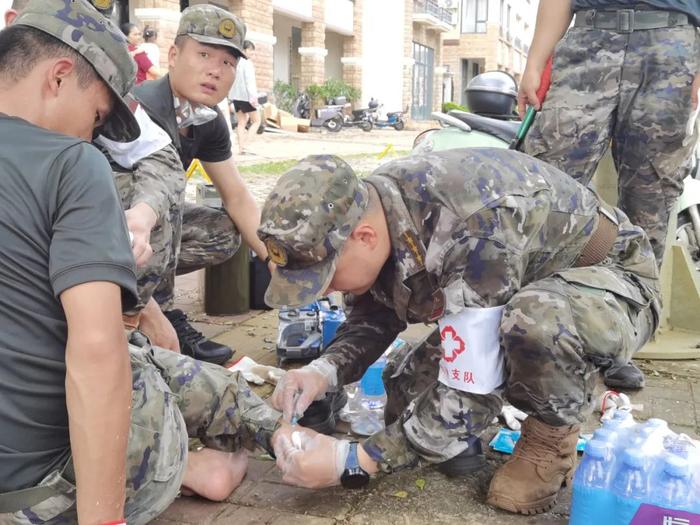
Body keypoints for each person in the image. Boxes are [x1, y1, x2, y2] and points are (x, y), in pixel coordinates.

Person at [0, 1, 284, 523]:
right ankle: (202, 463)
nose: (91, 132)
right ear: (60, 76)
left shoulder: (199, 123)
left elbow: (203, 185)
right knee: (144, 369)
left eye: (227, 61)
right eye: (96, 117)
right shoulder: (72, 160)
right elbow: (95, 359)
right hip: (34, 497)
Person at [260, 151, 660, 515]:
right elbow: (374, 316)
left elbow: (473, 390)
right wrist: (323, 371)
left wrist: (355, 462)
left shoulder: (472, 227)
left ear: (365, 237)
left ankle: (551, 438)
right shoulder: (373, 205)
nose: (327, 292)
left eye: (327, 278)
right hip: (515, 282)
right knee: (407, 391)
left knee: (535, 321)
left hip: (609, 282)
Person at [518, 1, 699, 388]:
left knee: (650, 199)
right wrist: (536, 60)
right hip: (588, 38)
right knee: (549, 187)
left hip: (671, 45)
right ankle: (524, 329)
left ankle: (617, 341)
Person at [99, 6, 272, 364]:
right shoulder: (139, 108)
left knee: (225, 232)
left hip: (147, 235)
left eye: (227, 63)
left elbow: (237, 195)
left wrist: (275, 260)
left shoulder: (206, 120)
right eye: (204, 54)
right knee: (166, 197)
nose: (215, 70)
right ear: (174, 55)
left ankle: (153, 301)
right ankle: (143, 312)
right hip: (105, 231)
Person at [228, 40, 259, 155]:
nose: (252, 54)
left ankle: (241, 148)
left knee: (241, 122)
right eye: (251, 51)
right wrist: (253, 97)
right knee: (256, 121)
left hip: (236, 97)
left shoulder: (235, 62)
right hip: (247, 97)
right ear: (245, 50)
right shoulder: (247, 63)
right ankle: (246, 145)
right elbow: (249, 82)